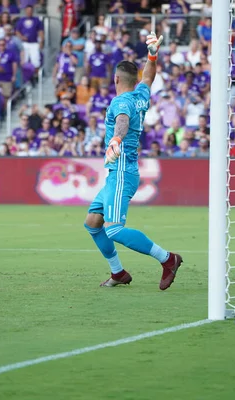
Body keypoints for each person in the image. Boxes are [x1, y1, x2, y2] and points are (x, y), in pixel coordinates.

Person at [83, 32, 183, 290]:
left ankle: (167, 258)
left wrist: (116, 139)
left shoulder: (120, 102)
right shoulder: (141, 94)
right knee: (93, 223)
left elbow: (123, 121)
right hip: (117, 173)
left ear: (115, 78)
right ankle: (118, 272)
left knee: (114, 230)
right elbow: (149, 76)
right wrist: (152, 55)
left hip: (121, 171)